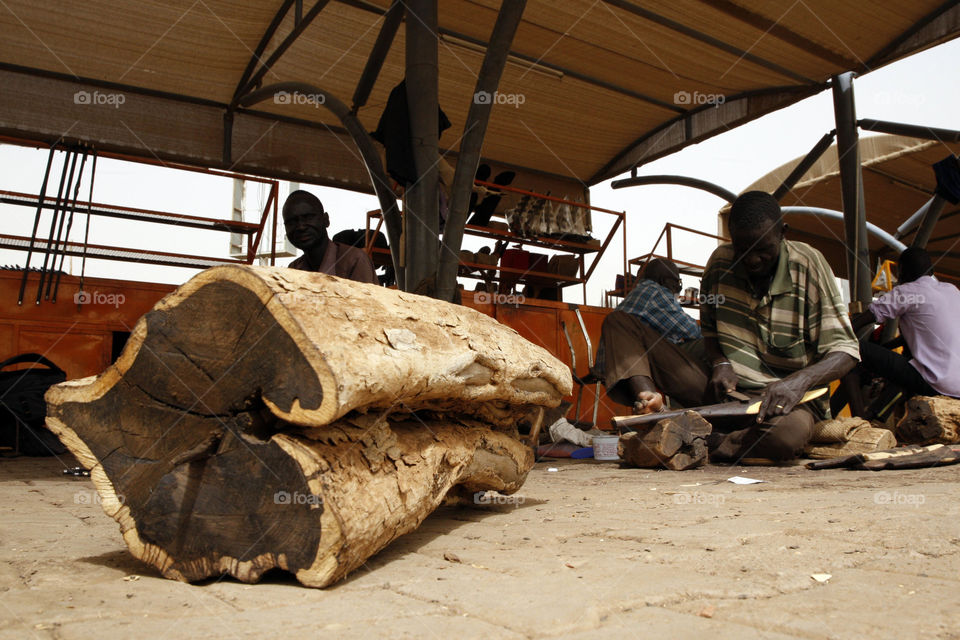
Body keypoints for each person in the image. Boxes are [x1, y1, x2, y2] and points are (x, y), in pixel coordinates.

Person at [601, 191, 860, 463]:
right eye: (743, 249)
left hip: (785, 405)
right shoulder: (719, 264)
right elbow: (710, 332)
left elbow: (846, 350)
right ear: (731, 238)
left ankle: (707, 441)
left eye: (763, 250)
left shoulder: (809, 265)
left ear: (783, 233)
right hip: (724, 396)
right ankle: (650, 403)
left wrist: (797, 382)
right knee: (619, 323)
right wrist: (720, 363)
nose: (753, 260)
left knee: (785, 437)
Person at [841, 247, 960, 417]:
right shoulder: (953, 291)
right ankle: (876, 415)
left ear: (901, 273)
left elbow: (862, 320)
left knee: (848, 347)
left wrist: (836, 334)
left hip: (936, 383)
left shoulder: (906, 292)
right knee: (906, 369)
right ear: (932, 271)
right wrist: (885, 348)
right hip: (955, 386)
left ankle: (859, 422)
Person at [597, 257, 703, 414]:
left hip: (613, 370)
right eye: (677, 285)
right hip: (633, 366)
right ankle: (654, 403)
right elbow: (691, 330)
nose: (677, 291)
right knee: (705, 344)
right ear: (665, 280)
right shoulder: (656, 292)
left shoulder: (637, 293)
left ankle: (651, 403)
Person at [282, 190, 378, 285]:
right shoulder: (294, 269)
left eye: (308, 218)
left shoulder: (354, 260)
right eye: (291, 222)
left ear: (326, 220)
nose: (301, 227)